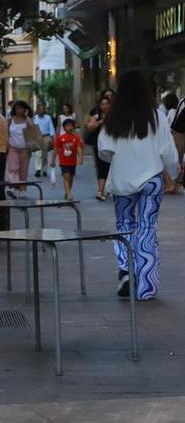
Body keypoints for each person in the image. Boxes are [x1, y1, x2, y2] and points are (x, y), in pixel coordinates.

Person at [98, 70, 179, 301]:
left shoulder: (113, 117)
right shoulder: (157, 116)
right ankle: (146, 287)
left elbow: (104, 151)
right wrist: (173, 175)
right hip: (152, 180)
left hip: (123, 181)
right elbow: (168, 153)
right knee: (147, 228)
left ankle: (126, 271)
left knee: (124, 225)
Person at [6, 100, 36, 198]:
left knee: (23, 170)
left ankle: (22, 189)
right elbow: (7, 133)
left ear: (25, 109)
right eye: (17, 108)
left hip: (25, 149)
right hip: (12, 147)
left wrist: (27, 116)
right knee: (12, 168)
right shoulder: (11, 119)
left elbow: (32, 127)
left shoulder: (27, 120)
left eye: (21, 108)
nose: (19, 110)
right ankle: (13, 187)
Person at [86, 95, 113, 200]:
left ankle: (113, 188)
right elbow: (89, 127)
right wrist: (101, 121)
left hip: (114, 143)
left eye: (107, 103)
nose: (105, 106)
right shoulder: (97, 115)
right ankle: (100, 191)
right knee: (101, 166)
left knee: (114, 165)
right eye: (102, 104)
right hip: (100, 144)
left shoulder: (116, 114)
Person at [50, 118, 83, 201]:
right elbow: (56, 150)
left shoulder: (76, 138)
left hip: (72, 161)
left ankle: (68, 191)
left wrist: (80, 157)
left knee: (71, 178)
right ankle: (69, 194)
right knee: (66, 176)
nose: (70, 127)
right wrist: (53, 160)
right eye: (67, 125)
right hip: (63, 161)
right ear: (64, 127)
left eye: (71, 125)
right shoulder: (60, 138)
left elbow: (78, 148)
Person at [32, 102, 55, 177]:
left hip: (46, 137)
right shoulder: (34, 118)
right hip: (37, 138)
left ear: (44, 110)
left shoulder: (48, 117)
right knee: (38, 154)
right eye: (39, 109)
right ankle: (38, 169)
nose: (41, 111)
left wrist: (52, 139)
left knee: (44, 155)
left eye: (42, 109)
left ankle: (44, 170)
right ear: (37, 110)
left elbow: (51, 128)